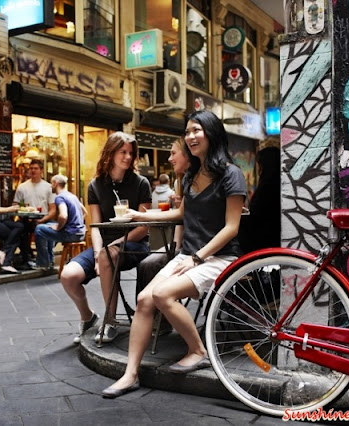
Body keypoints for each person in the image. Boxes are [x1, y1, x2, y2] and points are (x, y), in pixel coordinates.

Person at [101, 110, 246, 398]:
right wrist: (137, 215)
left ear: (212, 133)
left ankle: (197, 350)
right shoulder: (191, 173)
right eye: (188, 131)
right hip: (189, 256)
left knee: (162, 295)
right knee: (145, 298)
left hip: (219, 258)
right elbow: (181, 213)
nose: (190, 137)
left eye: (197, 130)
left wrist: (197, 257)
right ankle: (130, 374)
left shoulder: (232, 173)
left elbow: (231, 227)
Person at [60, 132, 152, 344]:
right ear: (110, 154)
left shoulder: (141, 183)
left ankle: (110, 322)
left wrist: (109, 248)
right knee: (68, 276)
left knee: (106, 256)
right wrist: (97, 252)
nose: (128, 157)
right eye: (123, 152)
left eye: (131, 153)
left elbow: (143, 228)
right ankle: (88, 317)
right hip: (104, 246)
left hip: (134, 244)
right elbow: (96, 226)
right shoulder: (95, 185)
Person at [136, 140, 190, 298]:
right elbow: (179, 216)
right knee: (145, 265)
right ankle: (149, 313)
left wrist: (141, 215)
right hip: (182, 242)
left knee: (148, 264)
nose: (169, 158)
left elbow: (181, 215)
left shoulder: (195, 181)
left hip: (195, 247)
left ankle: (155, 316)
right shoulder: (179, 182)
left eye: (173, 153)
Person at [33, 174, 86, 270]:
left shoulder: (60, 197)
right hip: (80, 233)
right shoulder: (72, 195)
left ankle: (43, 263)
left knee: (39, 229)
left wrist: (59, 227)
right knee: (48, 225)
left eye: (51, 183)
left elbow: (63, 215)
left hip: (71, 234)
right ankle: (50, 259)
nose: (50, 186)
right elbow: (85, 212)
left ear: (56, 184)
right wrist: (77, 223)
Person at [239, 141, 281, 253]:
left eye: (259, 164)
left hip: (263, 243)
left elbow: (257, 217)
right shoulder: (280, 185)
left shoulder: (267, 187)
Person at [13, 159, 56, 268]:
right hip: (26, 219)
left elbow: (52, 210)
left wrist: (43, 220)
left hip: (45, 218)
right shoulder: (22, 187)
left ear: (41, 170)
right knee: (17, 229)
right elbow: (15, 205)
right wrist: (21, 212)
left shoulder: (48, 188)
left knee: (47, 228)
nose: (33, 171)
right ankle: (27, 257)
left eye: (36, 168)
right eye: (31, 168)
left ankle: (47, 259)